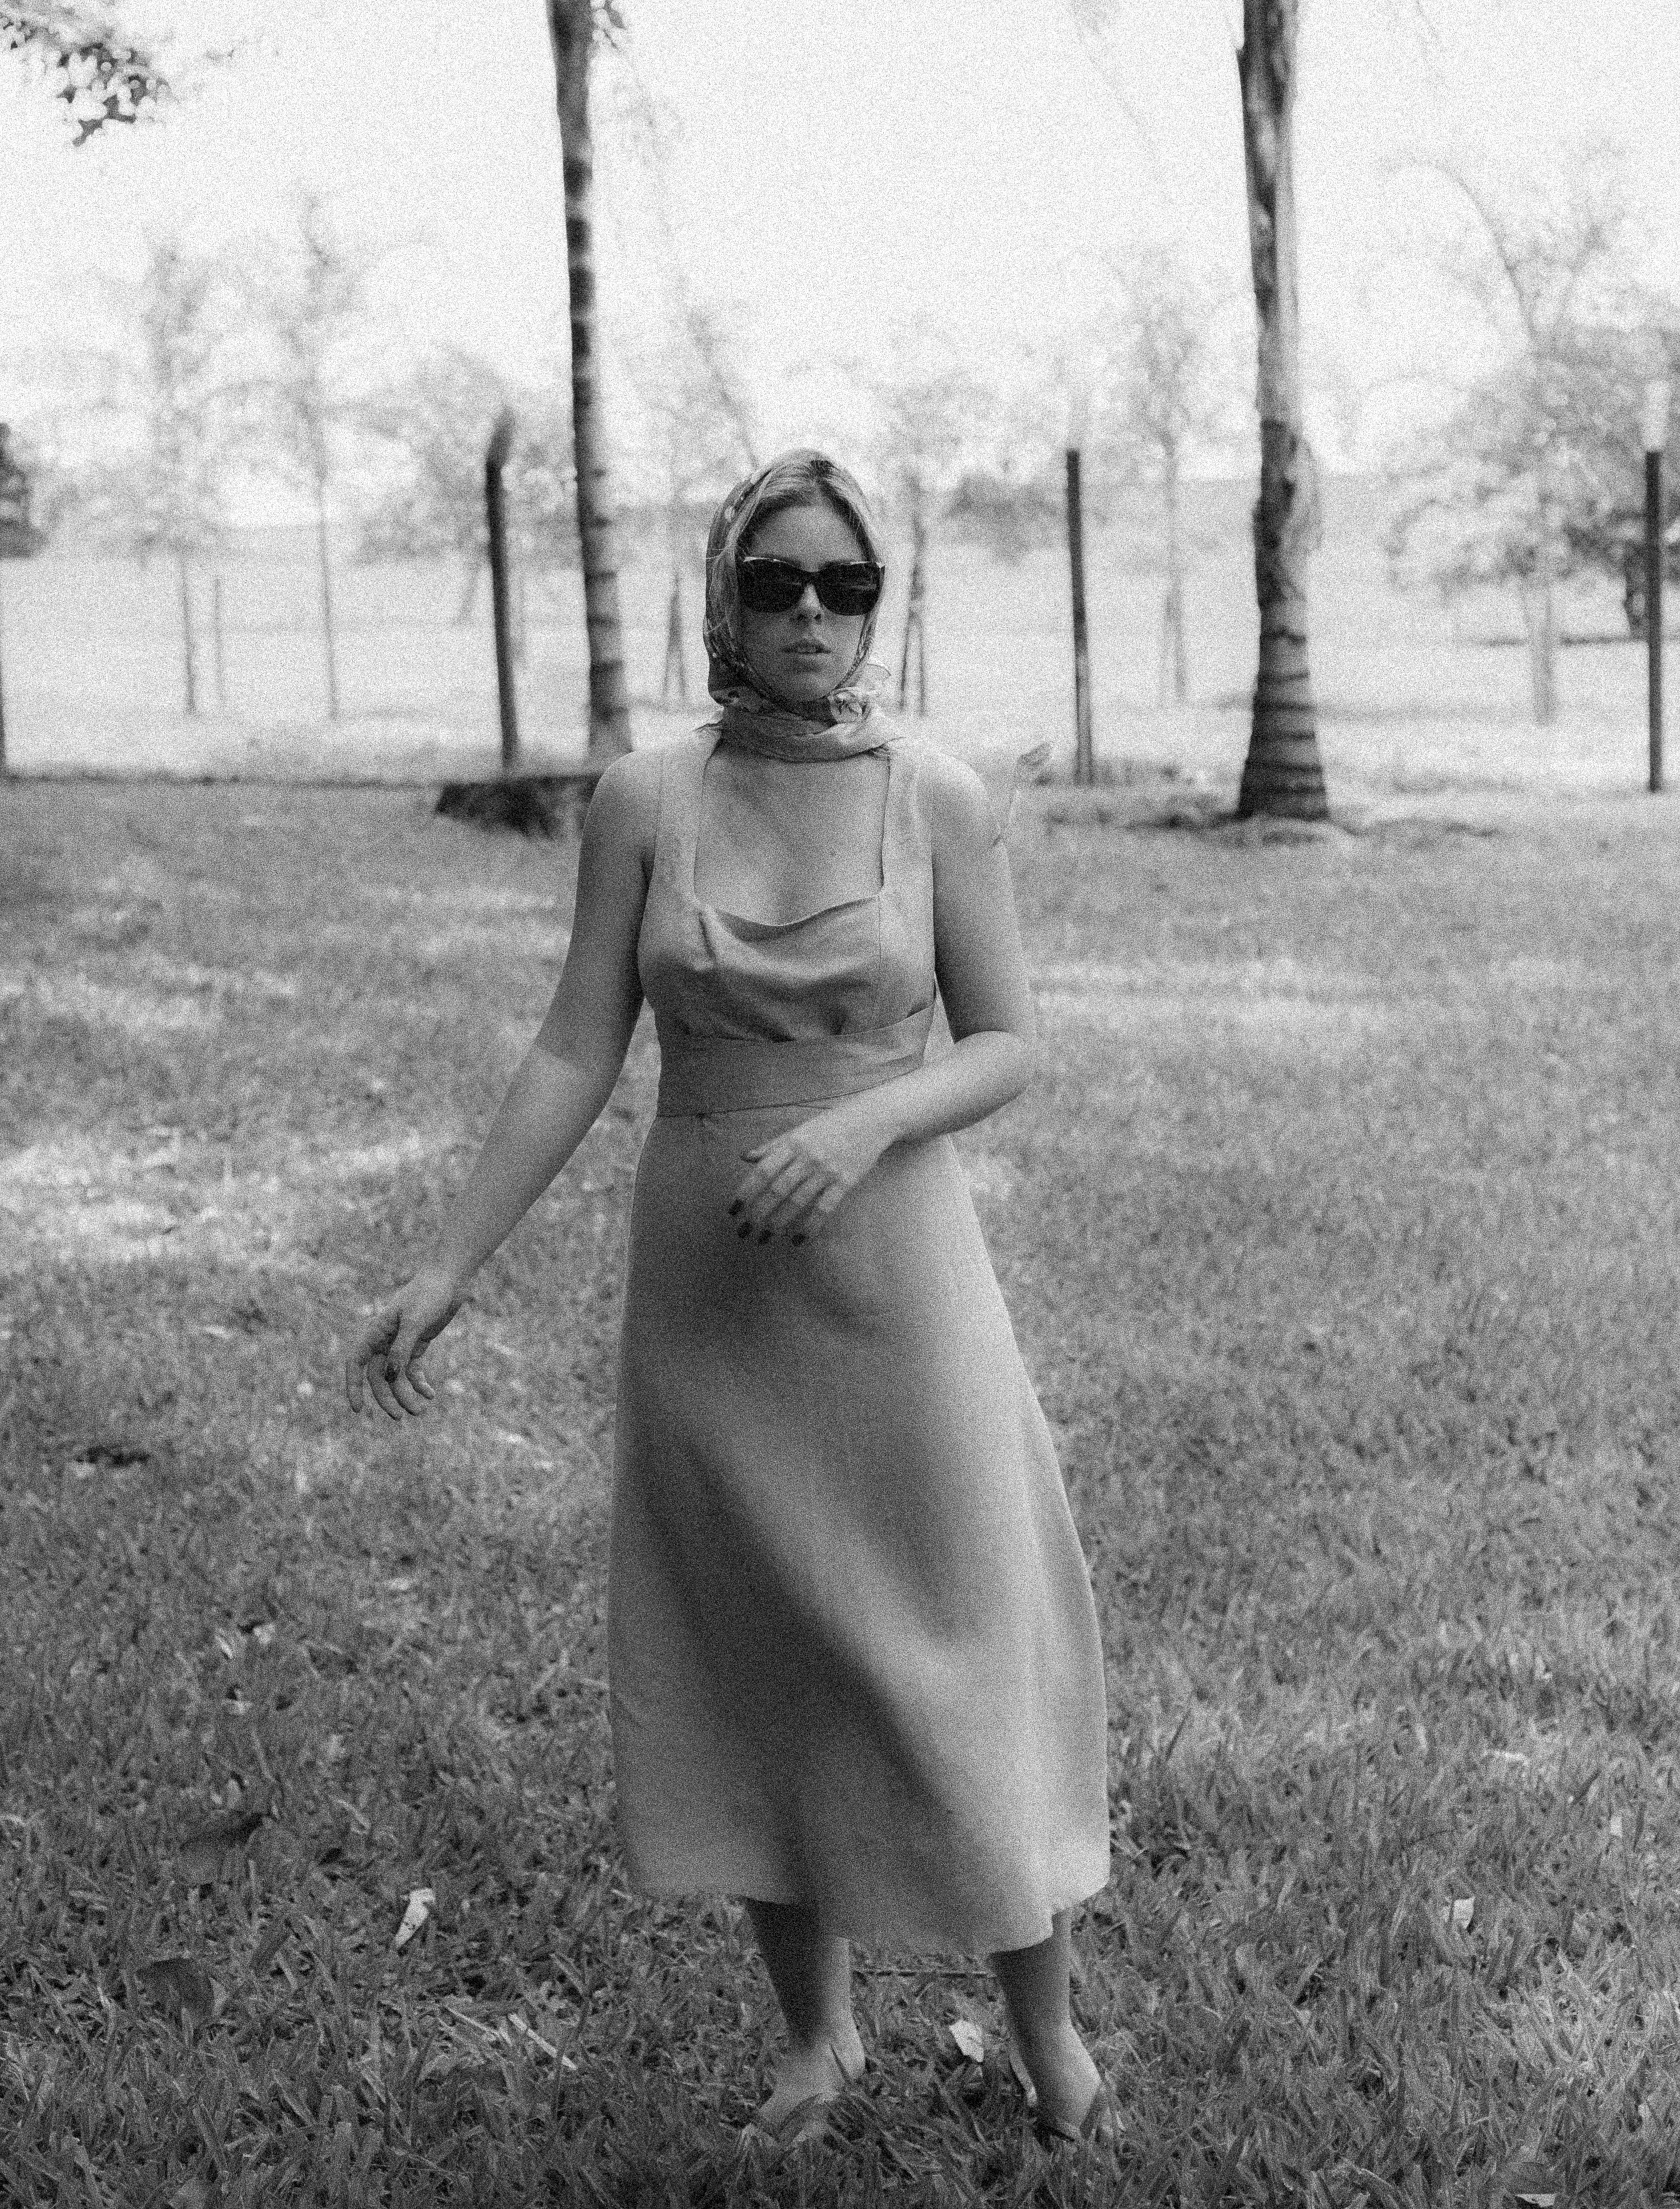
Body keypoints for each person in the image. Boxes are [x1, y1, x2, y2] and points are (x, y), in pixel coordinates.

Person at [346, 449, 1114, 2157]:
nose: (813, 617)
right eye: (777, 581)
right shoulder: (643, 797)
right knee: (751, 1646)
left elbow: (1004, 1043)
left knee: (954, 1631)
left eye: (848, 587)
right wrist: (448, 1261)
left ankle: (1046, 2034)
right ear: (721, 595)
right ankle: (813, 2038)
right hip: (709, 1285)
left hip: (899, 1272)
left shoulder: (940, 796)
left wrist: (863, 1117)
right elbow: (572, 1043)